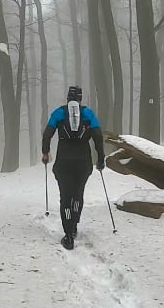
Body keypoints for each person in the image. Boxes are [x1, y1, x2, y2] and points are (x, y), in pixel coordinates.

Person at [41, 85, 106, 250]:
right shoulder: (88, 113)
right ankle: (74, 225)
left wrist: (45, 153)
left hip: (63, 162)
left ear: (68, 97)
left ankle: (68, 234)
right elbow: (98, 136)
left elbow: (47, 133)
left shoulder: (59, 113)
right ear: (80, 98)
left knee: (65, 197)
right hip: (83, 162)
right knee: (77, 195)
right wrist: (100, 158)